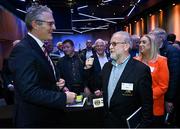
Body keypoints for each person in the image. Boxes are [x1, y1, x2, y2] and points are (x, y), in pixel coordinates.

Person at [8, 5, 76, 127]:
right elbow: (29, 91)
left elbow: (40, 78)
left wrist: (56, 82)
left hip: (47, 117)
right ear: (35, 24)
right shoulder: (23, 50)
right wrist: (62, 98)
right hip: (35, 121)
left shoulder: (39, 48)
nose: (54, 27)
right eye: (50, 24)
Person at [85, 31, 153, 128]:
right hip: (107, 122)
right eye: (110, 44)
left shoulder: (141, 70)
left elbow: (147, 105)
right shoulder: (107, 67)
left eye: (114, 44)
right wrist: (88, 70)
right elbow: (95, 85)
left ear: (126, 46)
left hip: (126, 125)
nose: (110, 47)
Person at [135, 34, 169, 127]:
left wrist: (146, 97)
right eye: (140, 42)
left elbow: (163, 86)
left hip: (154, 108)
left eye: (144, 42)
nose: (141, 44)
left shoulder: (161, 61)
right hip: (137, 107)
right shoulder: (135, 60)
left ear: (152, 45)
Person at [150, 28, 180, 127]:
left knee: (167, 123)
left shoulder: (172, 51)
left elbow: (174, 77)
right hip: (158, 96)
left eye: (152, 36)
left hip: (168, 96)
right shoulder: (155, 50)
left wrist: (169, 99)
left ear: (161, 38)